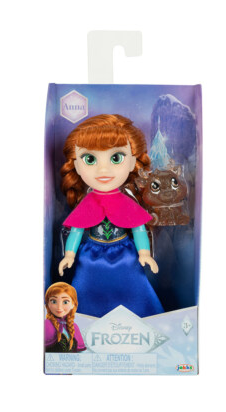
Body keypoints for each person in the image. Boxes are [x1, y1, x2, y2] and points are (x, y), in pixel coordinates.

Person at [58, 114, 164, 318]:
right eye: (90, 159)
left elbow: (139, 228)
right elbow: (77, 230)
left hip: (125, 254)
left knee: (134, 288)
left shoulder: (127, 201)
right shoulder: (87, 202)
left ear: (132, 162)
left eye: (116, 158)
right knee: (85, 289)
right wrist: (69, 255)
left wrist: (144, 253)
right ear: (77, 165)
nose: (103, 169)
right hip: (91, 257)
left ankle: (140, 317)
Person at [44, 282, 86, 353]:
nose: (59, 307)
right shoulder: (45, 325)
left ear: (73, 304)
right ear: (48, 304)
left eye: (65, 302)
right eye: (54, 301)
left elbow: (81, 353)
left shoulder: (75, 327)